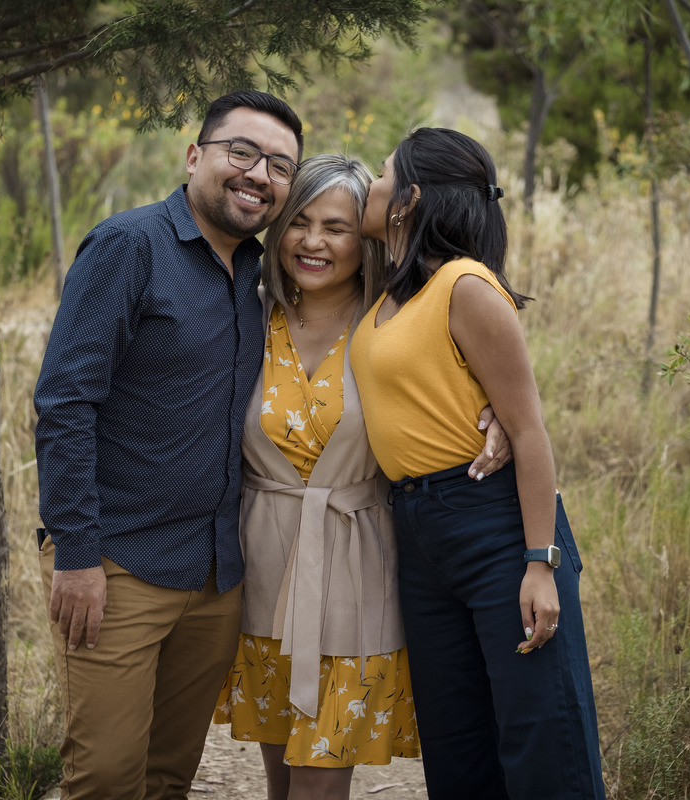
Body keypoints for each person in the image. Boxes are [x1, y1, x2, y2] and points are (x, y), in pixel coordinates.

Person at [212, 153, 511, 800]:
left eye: (338, 227)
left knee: (320, 785)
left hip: (355, 568)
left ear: (368, 236)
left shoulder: (397, 322)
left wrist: (501, 418)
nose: (313, 242)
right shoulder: (248, 315)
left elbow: (483, 370)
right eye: (300, 222)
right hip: (261, 571)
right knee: (280, 784)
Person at [33, 90, 303, 800]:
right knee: (106, 778)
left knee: (166, 777)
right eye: (241, 153)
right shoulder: (130, 246)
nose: (258, 174)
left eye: (279, 165)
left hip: (216, 575)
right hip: (118, 566)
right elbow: (64, 403)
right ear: (195, 156)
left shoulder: (263, 272)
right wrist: (78, 555)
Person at [350, 128, 607, 799]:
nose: (367, 190)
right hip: (417, 530)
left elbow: (528, 430)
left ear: (407, 198)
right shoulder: (385, 298)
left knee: (542, 737)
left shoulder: (465, 284)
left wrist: (539, 563)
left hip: (493, 525)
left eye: (380, 177)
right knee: (456, 744)